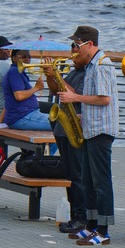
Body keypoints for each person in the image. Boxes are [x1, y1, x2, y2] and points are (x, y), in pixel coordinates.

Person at [58, 26, 119, 245]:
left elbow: (104, 99)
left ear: (89, 44)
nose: (74, 49)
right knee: (88, 180)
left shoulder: (102, 65)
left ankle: (103, 232)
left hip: (101, 130)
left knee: (101, 182)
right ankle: (91, 226)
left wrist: (75, 97)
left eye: (77, 45)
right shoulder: (92, 64)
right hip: (90, 128)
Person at [43, 46, 86, 234]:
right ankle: (75, 215)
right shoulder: (74, 71)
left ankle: (81, 217)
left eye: (76, 50)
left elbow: (76, 96)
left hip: (75, 128)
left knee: (77, 175)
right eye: (72, 50)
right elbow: (56, 91)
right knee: (70, 176)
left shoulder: (89, 73)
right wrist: (51, 76)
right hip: (62, 128)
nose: (73, 55)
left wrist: (57, 75)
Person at [2, 49, 52, 131]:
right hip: (22, 117)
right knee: (61, 124)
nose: (27, 59)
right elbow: (19, 96)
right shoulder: (14, 72)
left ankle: (53, 144)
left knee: (61, 123)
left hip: (27, 115)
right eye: (24, 57)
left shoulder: (19, 72)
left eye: (29, 56)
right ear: (14, 58)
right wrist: (36, 88)